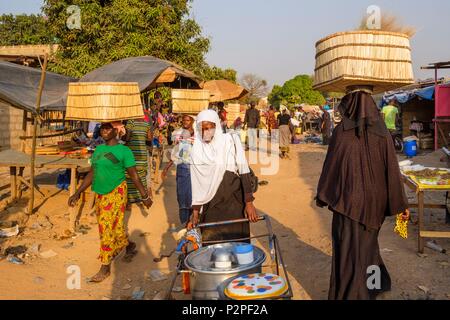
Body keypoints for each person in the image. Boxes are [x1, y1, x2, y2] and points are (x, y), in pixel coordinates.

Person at [315, 87, 410, 300]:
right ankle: (371, 288)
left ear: (349, 104)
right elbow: (392, 171)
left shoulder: (341, 133)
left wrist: (324, 195)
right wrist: (401, 204)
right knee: (368, 248)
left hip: (347, 204)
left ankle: (350, 294)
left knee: (347, 250)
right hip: (374, 204)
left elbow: (331, 168)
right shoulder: (383, 131)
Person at [68, 122, 153, 283]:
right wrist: (77, 193)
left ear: (116, 131)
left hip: (116, 193)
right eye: (103, 128)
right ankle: (128, 245)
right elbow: (92, 173)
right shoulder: (99, 150)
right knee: (116, 227)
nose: (104, 131)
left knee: (106, 229)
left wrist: (144, 196)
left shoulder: (124, 151)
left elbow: (134, 175)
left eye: (108, 128)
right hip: (100, 193)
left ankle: (105, 266)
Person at [188, 110, 259, 243]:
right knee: (213, 246)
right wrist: (196, 212)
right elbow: (197, 184)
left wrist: (249, 203)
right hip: (210, 206)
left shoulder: (230, 141)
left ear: (216, 126)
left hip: (234, 202)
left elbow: (243, 170)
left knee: (238, 246)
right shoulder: (197, 150)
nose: (205, 132)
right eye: (201, 129)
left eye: (209, 128)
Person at [161, 115, 195, 225]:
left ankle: (193, 220)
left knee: (194, 196)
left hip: (195, 169)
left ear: (192, 121)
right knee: (182, 195)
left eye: (188, 120)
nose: (185, 122)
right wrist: (167, 167)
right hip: (182, 169)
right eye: (184, 120)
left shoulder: (199, 135)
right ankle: (185, 222)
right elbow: (176, 151)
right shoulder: (179, 135)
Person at [123, 117, 152, 208]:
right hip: (142, 151)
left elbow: (127, 138)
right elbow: (150, 138)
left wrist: (122, 137)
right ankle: (142, 197)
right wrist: (141, 138)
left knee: (129, 174)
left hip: (131, 152)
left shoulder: (131, 122)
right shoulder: (146, 123)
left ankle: (129, 199)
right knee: (141, 174)